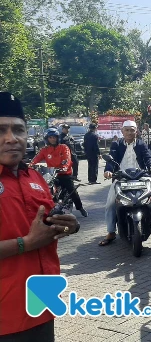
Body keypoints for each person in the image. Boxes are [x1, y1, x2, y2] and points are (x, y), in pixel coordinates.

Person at [0, 92, 80, 342]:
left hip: (42, 304)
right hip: (5, 318)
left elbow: (44, 227)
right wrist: (27, 243)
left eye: (18, 130)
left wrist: (68, 226)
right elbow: (32, 239)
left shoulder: (34, 178)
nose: (11, 138)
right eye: (1, 130)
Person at [99, 120, 151, 247]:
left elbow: (148, 158)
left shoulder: (141, 144)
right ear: (122, 131)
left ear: (136, 131)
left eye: (132, 130)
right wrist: (108, 171)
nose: (129, 132)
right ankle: (111, 231)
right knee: (110, 204)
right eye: (127, 130)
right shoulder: (116, 145)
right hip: (121, 178)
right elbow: (111, 159)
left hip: (140, 176)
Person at [30, 128, 88, 218]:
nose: (53, 139)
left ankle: (80, 208)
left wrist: (64, 167)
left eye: (54, 137)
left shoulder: (63, 147)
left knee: (72, 191)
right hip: (51, 175)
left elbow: (67, 159)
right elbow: (36, 159)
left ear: (57, 138)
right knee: (43, 189)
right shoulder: (44, 150)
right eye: (50, 137)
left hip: (64, 174)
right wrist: (30, 166)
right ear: (47, 139)